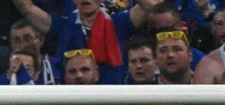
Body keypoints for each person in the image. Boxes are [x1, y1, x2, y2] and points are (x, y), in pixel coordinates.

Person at [9, 0, 149, 85]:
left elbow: (149, 6)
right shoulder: (62, 25)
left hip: (112, 97)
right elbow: (24, 6)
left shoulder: (119, 23)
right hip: (72, 101)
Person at [9, 18, 57, 84]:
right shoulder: (7, 76)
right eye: (17, 40)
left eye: (27, 39)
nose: (23, 45)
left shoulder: (59, 66)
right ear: (11, 45)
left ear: (41, 40)